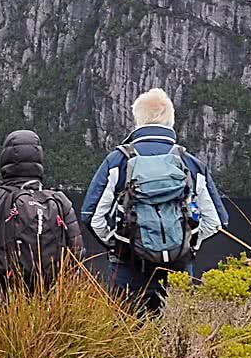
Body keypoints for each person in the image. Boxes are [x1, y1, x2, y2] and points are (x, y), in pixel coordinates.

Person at [80, 87, 228, 309]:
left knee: (125, 335)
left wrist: (119, 245)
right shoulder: (190, 162)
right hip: (177, 270)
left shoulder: (118, 161)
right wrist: (186, 246)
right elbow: (217, 220)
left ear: (138, 120)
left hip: (128, 271)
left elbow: (91, 216)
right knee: (173, 336)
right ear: (170, 121)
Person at [0, 129, 83, 291]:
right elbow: (77, 253)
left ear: (5, 159)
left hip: (4, 296)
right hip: (51, 297)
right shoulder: (60, 200)